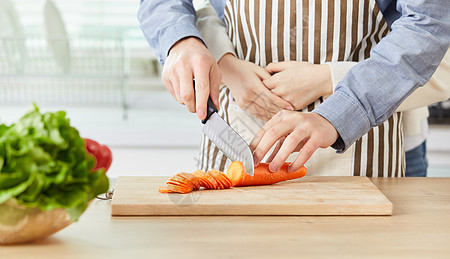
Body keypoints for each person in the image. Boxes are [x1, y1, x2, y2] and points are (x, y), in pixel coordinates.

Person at [138, 0, 450, 174]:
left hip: (361, 148)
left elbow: (428, 25)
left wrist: (339, 112)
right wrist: (180, 39)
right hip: (239, 128)